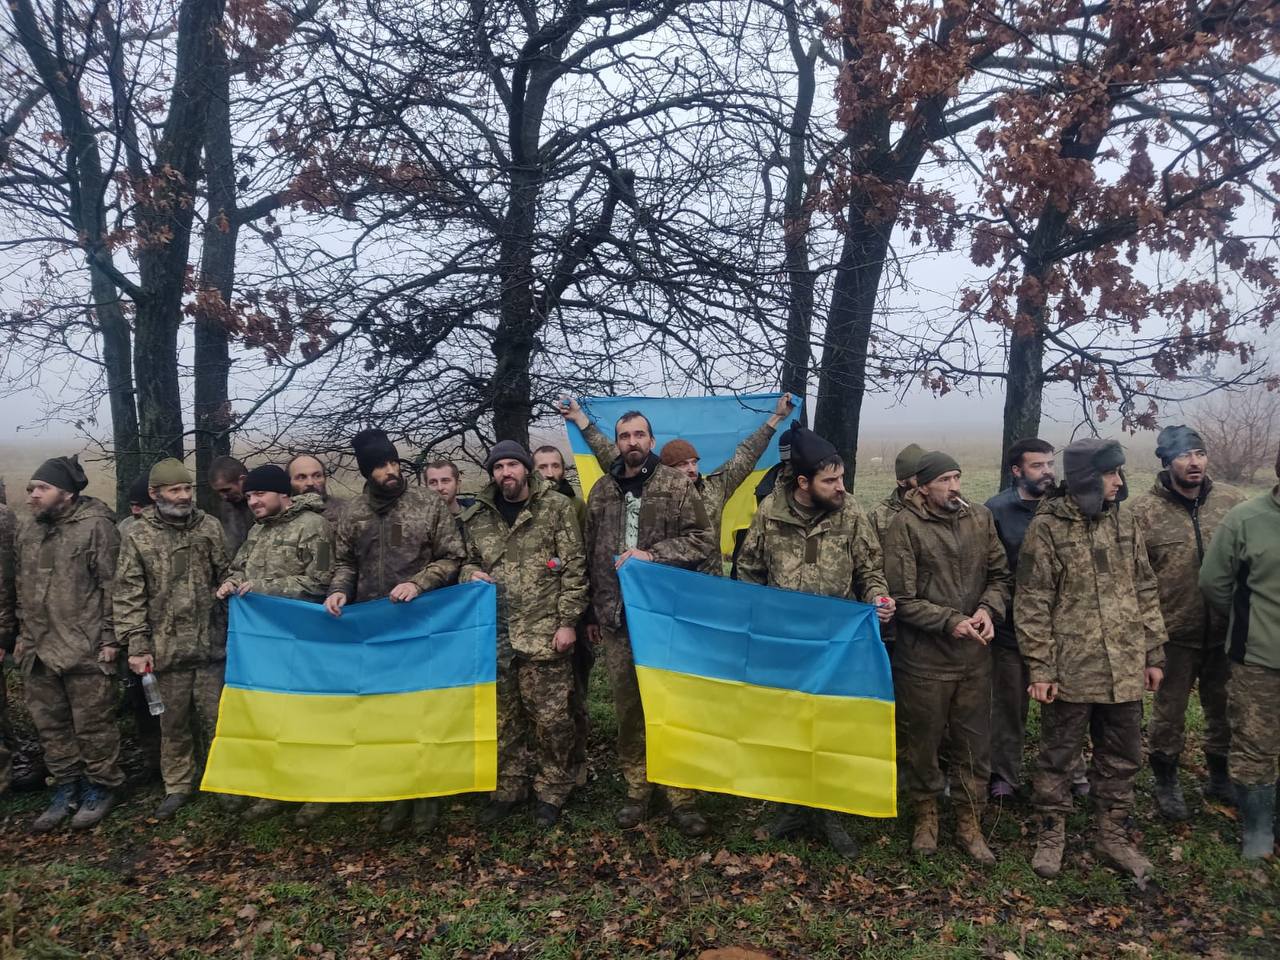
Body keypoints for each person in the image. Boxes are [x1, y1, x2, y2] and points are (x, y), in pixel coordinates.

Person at [737, 424, 895, 858]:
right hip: (784, 645)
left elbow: (870, 570)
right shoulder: (769, 513)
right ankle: (792, 805)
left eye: (841, 478)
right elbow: (749, 572)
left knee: (830, 726)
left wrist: (877, 599)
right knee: (788, 725)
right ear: (803, 482)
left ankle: (829, 811)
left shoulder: (852, 514)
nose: (840, 487)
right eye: (830, 481)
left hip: (835, 646)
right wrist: (760, 623)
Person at [1017, 439, 1166, 881]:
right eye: (1109, 473)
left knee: (1121, 756)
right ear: (1085, 478)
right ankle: (1050, 834)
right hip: (1070, 669)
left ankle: (1112, 835)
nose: (1119, 482)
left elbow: (1145, 587)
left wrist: (1153, 652)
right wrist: (1041, 667)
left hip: (1123, 666)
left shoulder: (1124, 521)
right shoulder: (1047, 529)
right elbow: (1031, 602)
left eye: (1119, 473)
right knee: (1059, 756)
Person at [582, 409, 717, 835]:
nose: (632, 442)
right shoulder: (603, 490)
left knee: (673, 703)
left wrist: (653, 555)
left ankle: (681, 794)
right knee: (629, 706)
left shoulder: (677, 485)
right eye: (624, 436)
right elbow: (588, 554)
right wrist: (591, 612)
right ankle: (637, 787)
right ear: (617, 442)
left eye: (639, 434)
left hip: (667, 617)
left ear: (651, 440)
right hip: (618, 618)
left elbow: (703, 541)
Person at [325, 429, 466, 835]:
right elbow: (345, 563)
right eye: (380, 466)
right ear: (367, 472)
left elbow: (453, 557)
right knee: (385, 713)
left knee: (423, 710)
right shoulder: (352, 514)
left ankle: (428, 795)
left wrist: (419, 583)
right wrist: (338, 592)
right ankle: (396, 792)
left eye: (393, 463)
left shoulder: (427, 505)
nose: (391, 471)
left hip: (423, 626)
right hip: (375, 630)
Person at [884, 451, 1011, 864]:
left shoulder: (979, 519)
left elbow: (1000, 576)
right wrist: (948, 620)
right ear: (921, 487)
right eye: (944, 480)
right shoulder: (904, 526)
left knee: (974, 744)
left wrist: (988, 610)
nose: (954, 487)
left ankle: (970, 821)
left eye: (957, 477)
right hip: (923, 662)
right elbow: (901, 599)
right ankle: (926, 817)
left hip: (974, 660)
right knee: (921, 743)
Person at [461, 441, 589, 827]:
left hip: (544, 632)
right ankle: (509, 787)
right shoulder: (477, 517)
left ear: (526, 468)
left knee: (552, 720)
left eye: (512, 465)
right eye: (498, 467)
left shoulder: (555, 508)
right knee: (504, 718)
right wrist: (469, 573)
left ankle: (552, 789)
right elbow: (466, 560)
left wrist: (568, 622)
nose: (506, 473)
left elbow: (574, 567)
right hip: (496, 635)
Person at [1133, 425, 1246, 820]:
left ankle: (1219, 776)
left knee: (1225, 707)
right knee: (1169, 713)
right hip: (1173, 633)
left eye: (1199, 453)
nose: (1194, 462)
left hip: (1227, 630)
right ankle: (1166, 781)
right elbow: (1135, 579)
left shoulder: (1232, 503)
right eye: (1184, 455)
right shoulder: (1142, 513)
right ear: (1166, 461)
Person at [217, 464, 336, 826]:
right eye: (249, 495)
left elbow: (321, 579)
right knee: (271, 718)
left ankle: (316, 792)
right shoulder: (257, 532)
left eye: (259, 494)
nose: (252, 501)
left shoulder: (315, 527)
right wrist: (231, 582)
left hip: (304, 643)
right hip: (265, 646)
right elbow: (239, 568)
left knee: (307, 719)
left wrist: (266, 588)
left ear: (282, 494)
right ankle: (277, 788)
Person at [116, 458, 232, 821]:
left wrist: (230, 586)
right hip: (166, 651)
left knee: (219, 721)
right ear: (155, 494)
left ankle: (225, 782)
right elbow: (128, 594)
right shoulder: (137, 535)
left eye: (187, 489)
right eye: (175, 490)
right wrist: (137, 645)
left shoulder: (208, 527)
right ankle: (178, 786)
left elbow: (227, 571)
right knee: (173, 724)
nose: (183, 497)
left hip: (211, 646)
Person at [13, 456, 125, 831]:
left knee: (93, 724)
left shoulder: (96, 527)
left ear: (67, 492)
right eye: (30, 489)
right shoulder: (29, 531)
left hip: (85, 647)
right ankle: (66, 786)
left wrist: (111, 638)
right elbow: (18, 586)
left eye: (40, 488)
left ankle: (101, 786)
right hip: (37, 649)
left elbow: (114, 587)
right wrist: (19, 636)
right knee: (51, 726)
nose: (32, 495)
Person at [564, 393, 795, 573]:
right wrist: (580, 419)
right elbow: (613, 452)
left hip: (707, 583)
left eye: (694, 462)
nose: (691, 469)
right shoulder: (656, 487)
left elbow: (747, 454)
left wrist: (777, 417)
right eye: (683, 464)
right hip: (667, 582)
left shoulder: (715, 488)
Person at [983, 438, 1083, 802]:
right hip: (1010, 627)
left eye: (1049, 465)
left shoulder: (1064, 508)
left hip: (1061, 628)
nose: (1047, 472)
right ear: (1017, 471)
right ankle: (1004, 776)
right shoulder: (995, 511)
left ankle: (1072, 772)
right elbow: (989, 569)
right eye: (1038, 466)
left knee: (1067, 706)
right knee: (1008, 707)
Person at [1198, 443, 1280, 860]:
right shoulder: (1246, 519)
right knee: (1255, 745)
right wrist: (1248, 621)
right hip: (1259, 660)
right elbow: (1214, 581)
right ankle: (1259, 831)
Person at [531, 442, 593, 790]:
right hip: (535, 619)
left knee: (576, 692)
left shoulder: (576, 507)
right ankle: (546, 762)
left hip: (574, 614)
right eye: (543, 467)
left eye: (556, 466)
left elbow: (581, 560)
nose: (551, 474)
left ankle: (579, 761)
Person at [286, 453, 348, 525]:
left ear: (324, 478)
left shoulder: (347, 512)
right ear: (288, 482)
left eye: (317, 476)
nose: (310, 483)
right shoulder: (280, 517)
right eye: (301, 477)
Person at [209, 456, 253, 556]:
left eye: (227, 490)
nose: (224, 497)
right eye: (219, 492)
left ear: (243, 480)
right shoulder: (226, 506)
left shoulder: (264, 504)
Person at [118, 473, 154, 539]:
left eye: (141, 505)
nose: (134, 511)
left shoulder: (170, 528)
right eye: (132, 505)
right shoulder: (125, 526)